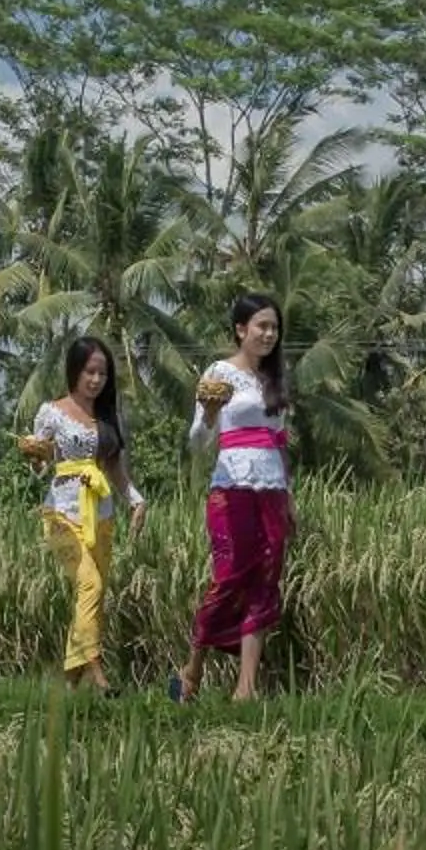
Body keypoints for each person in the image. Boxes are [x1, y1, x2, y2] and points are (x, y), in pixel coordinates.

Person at [175, 294, 292, 703]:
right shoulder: (219, 373)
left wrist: (288, 495)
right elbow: (198, 442)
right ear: (241, 329)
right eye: (261, 326)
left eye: (274, 328)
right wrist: (208, 413)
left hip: (272, 489)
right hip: (232, 486)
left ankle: (246, 687)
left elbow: (280, 441)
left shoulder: (276, 378)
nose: (268, 334)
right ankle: (192, 668)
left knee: (265, 580)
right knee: (228, 577)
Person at [18, 334, 146, 690]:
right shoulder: (51, 412)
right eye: (90, 372)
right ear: (75, 371)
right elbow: (40, 468)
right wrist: (35, 457)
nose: (96, 380)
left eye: (102, 374)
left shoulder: (109, 416)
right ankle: (97, 674)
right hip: (61, 512)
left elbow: (115, 469)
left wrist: (136, 500)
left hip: (101, 513)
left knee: (96, 592)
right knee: (88, 583)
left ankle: (69, 680)